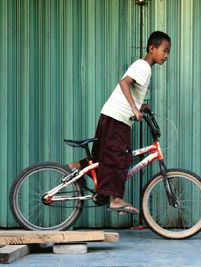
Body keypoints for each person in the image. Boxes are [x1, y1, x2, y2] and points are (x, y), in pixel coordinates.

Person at [68, 31, 171, 214]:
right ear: (152, 48)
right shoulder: (144, 66)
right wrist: (133, 108)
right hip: (117, 119)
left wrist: (141, 105)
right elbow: (124, 83)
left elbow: (132, 88)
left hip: (110, 116)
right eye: (164, 50)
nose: (166, 55)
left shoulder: (144, 67)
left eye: (168, 52)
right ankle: (115, 199)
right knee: (118, 157)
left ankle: (74, 168)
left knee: (103, 158)